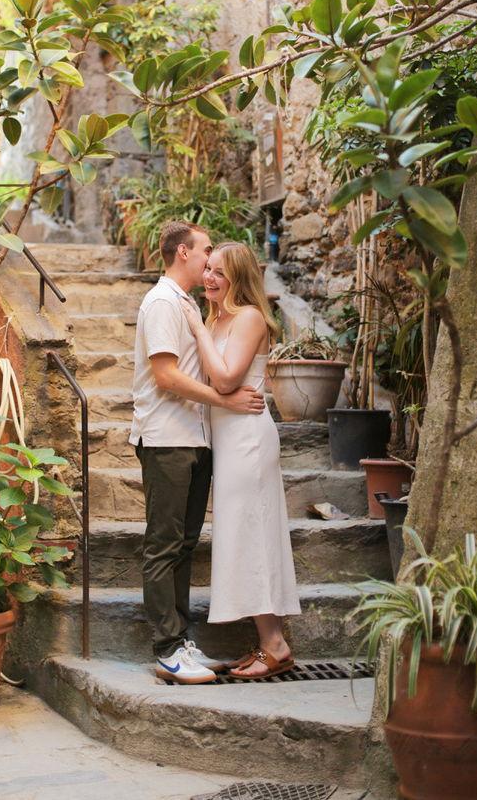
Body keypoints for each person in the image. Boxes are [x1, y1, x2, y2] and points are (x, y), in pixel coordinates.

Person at [130, 221, 267, 684]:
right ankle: (167, 647)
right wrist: (225, 401)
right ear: (183, 253)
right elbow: (166, 377)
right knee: (164, 545)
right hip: (167, 438)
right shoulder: (163, 302)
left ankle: (182, 639)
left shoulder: (191, 304)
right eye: (205, 251)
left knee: (185, 545)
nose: (210, 260)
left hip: (194, 438)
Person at [178, 241, 301, 679]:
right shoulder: (218, 318)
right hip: (228, 441)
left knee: (254, 535)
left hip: (248, 441)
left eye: (219, 273)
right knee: (244, 535)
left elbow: (227, 378)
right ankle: (268, 642)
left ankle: (275, 645)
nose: (209, 278)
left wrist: (195, 328)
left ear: (239, 279)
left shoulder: (248, 317)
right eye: (207, 269)